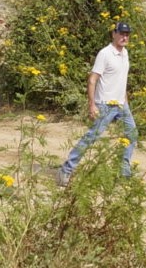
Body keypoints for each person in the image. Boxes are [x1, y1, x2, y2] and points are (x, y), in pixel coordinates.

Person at [59, 22, 138, 181]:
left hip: (121, 105)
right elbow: (92, 80)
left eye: (127, 34)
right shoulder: (105, 54)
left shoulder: (125, 53)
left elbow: (122, 80)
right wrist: (92, 105)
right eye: (121, 33)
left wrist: (125, 102)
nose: (124, 37)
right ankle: (66, 170)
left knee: (132, 134)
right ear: (113, 34)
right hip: (105, 105)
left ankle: (123, 171)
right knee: (91, 138)